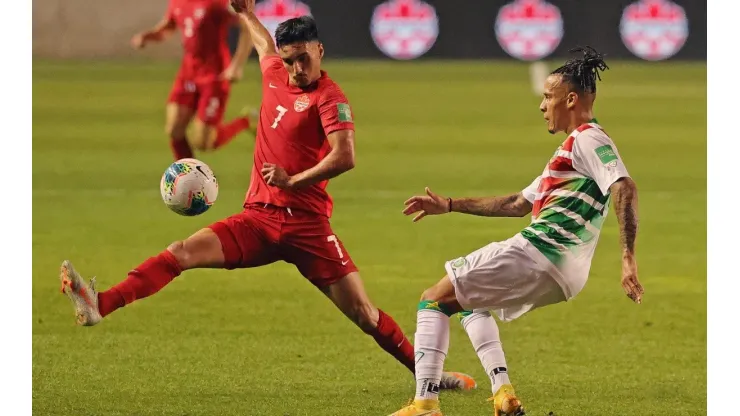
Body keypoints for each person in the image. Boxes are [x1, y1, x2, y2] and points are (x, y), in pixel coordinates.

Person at [59, 0, 475, 392]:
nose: (296, 68)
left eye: (303, 58)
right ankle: (101, 304)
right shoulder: (275, 71)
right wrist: (247, 12)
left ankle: (429, 377)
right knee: (181, 251)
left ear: (320, 50)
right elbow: (261, 42)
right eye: (290, 59)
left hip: (307, 227)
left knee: (364, 314)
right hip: (257, 219)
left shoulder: (330, 99)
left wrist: (294, 180)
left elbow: (345, 156)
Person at [389, 47, 645, 416]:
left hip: (541, 251)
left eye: (548, 97)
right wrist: (449, 204)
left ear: (571, 99)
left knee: (433, 299)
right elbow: (516, 204)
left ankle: (425, 403)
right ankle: (503, 394)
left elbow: (624, 186)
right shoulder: (571, 151)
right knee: (469, 302)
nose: (542, 106)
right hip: (567, 272)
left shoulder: (589, 139)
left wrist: (627, 257)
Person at [131, 0, 255, 160]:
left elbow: (247, 26)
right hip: (188, 72)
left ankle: (246, 121)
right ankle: (189, 176)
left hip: (214, 75)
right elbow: (167, 28)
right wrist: (147, 36)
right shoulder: (177, 2)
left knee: (204, 142)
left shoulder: (218, 3)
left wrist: (236, 65)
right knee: (174, 129)